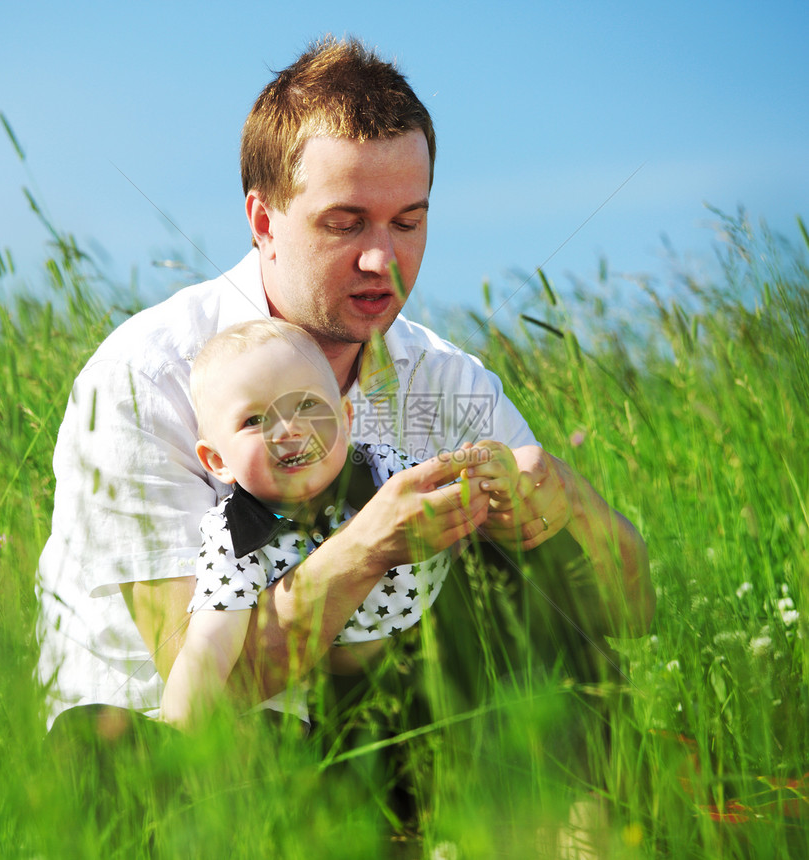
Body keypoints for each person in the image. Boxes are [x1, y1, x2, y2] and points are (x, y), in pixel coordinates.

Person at [37, 36, 654, 734]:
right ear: (264, 221)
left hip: (368, 734)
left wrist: (569, 503)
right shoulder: (146, 377)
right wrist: (368, 548)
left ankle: (563, 834)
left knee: (519, 569)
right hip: (167, 755)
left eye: (408, 222)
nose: (381, 259)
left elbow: (629, 617)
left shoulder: (446, 380)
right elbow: (201, 693)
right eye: (345, 223)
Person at [160, 319, 518, 728]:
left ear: (345, 421)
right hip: (345, 701)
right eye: (255, 420)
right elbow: (210, 646)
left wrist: (488, 471)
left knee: (508, 562)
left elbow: (462, 499)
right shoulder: (235, 538)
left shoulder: (383, 469)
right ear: (218, 461)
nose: (289, 429)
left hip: (445, 646)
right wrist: (182, 732)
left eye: (308, 406)